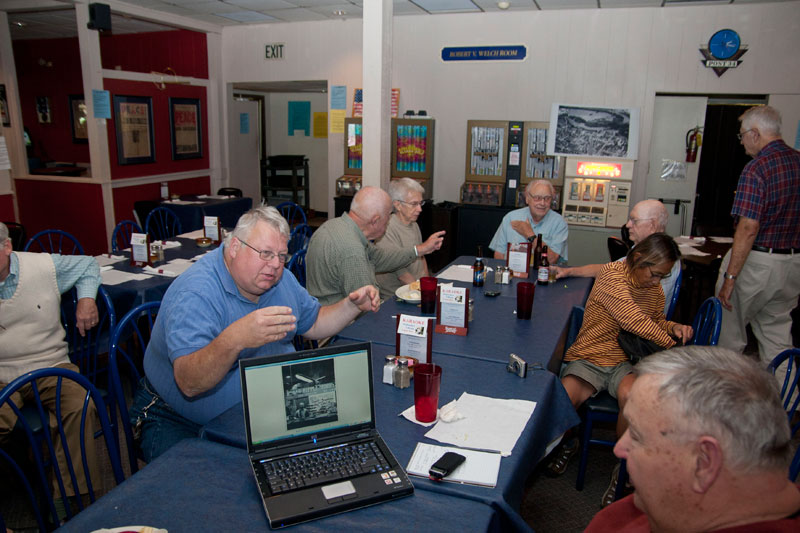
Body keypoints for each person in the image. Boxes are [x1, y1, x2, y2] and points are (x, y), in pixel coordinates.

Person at [131, 206, 383, 461]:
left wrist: (351, 306)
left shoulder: (278, 279)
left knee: (346, 441)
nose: (275, 265)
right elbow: (189, 383)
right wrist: (236, 338)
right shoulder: (196, 294)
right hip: (176, 417)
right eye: (265, 253)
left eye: (281, 256)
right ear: (234, 248)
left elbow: (314, 322)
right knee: (214, 493)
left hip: (263, 405)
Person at [546, 233, 693, 507]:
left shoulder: (653, 289)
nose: (657, 281)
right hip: (590, 355)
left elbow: (654, 321)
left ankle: (623, 469)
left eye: (663, 276)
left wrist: (672, 327)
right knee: (564, 402)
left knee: (633, 397)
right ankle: (569, 443)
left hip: (625, 361)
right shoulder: (613, 275)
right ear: (637, 259)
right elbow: (632, 319)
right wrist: (675, 348)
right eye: (655, 274)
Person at [586, 345, 800, 532]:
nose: (619, 448)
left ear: (704, 462)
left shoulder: (628, 515)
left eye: (636, 435)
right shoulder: (647, 506)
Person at [0, 222, 101, 505]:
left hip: (49, 362)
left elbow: (87, 265)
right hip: (1, 372)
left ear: (7, 247)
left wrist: (86, 299)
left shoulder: (43, 266)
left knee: (79, 405)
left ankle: (73, 501)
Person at [715, 105, 800, 386]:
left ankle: (723, 405)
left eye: (741, 136)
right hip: (792, 264)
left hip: (758, 263)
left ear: (755, 134)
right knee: (778, 338)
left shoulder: (757, 168)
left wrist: (730, 278)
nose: (741, 143)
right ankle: (785, 410)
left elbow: (748, 228)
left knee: (729, 337)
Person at [306, 186, 444, 306]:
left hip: (324, 310)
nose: (389, 223)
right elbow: (365, 305)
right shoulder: (352, 251)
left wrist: (419, 250)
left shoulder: (337, 225)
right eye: (387, 219)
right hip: (342, 326)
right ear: (375, 221)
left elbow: (379, 258)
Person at [555, 199, 681, 315]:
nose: (628, 225)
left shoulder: (666, 260)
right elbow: (610, 268)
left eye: (634, 220)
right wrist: (569, 271)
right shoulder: (642, 249)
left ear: (652, 225)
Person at [375, 178, 431, 299]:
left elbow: (421, 257)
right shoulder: (387, 228)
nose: (420, 209)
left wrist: (428, 284)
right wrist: (424, 293)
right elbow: (401, 273)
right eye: (414, 204)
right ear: (398, 205)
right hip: (396, 296)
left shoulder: (413, 224)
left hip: (416, 290)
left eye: (421, 203)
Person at [489, 179, 568, 264]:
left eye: (547, 198)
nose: (542, 203)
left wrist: (530, 234)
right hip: (512, 273)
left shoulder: (559, 223)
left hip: (543, 274)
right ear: (527, 198)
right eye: (537, 198)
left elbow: (552, 260)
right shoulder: (511, 217)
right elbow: (499, 254)